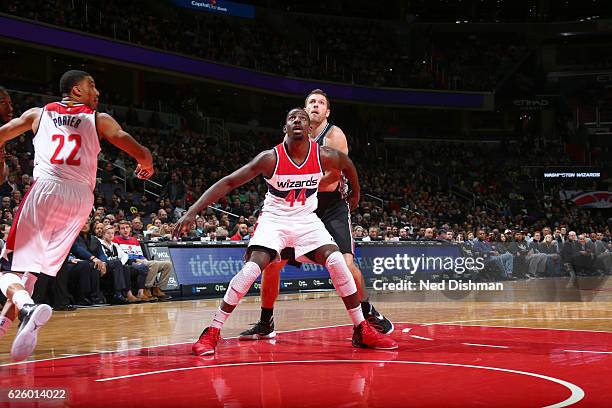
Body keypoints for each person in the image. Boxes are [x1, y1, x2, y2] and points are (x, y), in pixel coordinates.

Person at [174, 108, 397, 355]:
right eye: (292, 118)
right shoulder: (270, 158)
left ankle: (361, 329)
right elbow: (228, 182)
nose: (298, 120)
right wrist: (193, 211)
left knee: (337, 261)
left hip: (306, 221)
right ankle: (213, 330)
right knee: (251, 270)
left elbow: (348, 165)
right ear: (285, 129)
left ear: (310, 129)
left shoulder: (323, 155)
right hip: (274, 221)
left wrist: (355, 193)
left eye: (302, 118)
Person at [0, 70, 154, 361]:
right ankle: (14, 323)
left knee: (6, 266)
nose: (97, 92)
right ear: (75, 90)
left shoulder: (37, 114)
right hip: (81, 200)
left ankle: (28, 308)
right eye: (92, 85)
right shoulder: (99, 119)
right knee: (30, 271)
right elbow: (128, 142)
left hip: (47, 190)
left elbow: (2, 134)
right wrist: (147, 161)